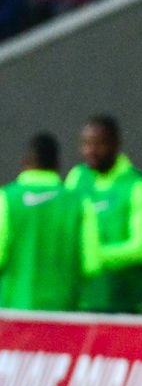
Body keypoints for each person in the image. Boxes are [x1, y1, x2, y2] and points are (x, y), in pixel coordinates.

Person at [66, 115, 142, 313]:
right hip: (79, 301)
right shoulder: (77, 177)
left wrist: (94, 255)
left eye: (98, 144)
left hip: (123, 304)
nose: (90, 151)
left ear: (116, 145)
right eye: (85, 144)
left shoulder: (138, 185)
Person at [0, 132, 100, 309]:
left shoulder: (6, 199)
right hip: (64, 312)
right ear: (57, 165)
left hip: (13, 313)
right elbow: (92, 264)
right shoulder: (80, 203)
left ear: (25, 162)